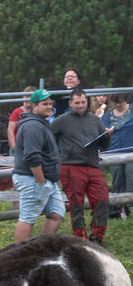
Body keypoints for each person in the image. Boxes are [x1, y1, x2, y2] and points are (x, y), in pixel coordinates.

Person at [52, 88, 113, 243]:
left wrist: (106, 137)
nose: (80, 105)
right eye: (77, 103)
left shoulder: (95, 119)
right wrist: (55, 154)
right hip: (71, 166)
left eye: (83, 102)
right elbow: (47, 136)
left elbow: (104, 146)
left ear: (87, 102)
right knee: (76, 203)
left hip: (92, 165)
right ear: (70, 103)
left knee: (102, 200)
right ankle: (79, 237)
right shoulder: (62, 120)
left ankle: (97, 236)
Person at [12, 89, 65, 242]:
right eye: (45, 104)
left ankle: (42, 251)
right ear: (34, 106)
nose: (49, 107)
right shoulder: (33, 126)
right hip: (33, 179)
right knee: (28, 218)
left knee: (56, 214)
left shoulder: (42, 123)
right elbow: (32, 157)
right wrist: (41, 182)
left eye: (50, 104)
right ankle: (18, 257)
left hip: (47, 179)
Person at [103, 92, 132, 220]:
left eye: (121, 102)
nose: (119, 105)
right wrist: (105, 132)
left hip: (131, 150)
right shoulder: (107, 115)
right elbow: (102, 128)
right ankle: (118, 208)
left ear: (126, 100)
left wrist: (119, 129)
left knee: (130, 177)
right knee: (117, 180)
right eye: (116, 102)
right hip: (114, 151)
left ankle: (129, 206)